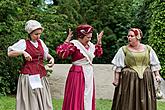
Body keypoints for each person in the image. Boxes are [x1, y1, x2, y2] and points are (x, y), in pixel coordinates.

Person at [7, 20, 54, 110]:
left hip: (40, 75)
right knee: (32, 97)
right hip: (29, 75)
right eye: (36, 34)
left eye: (39, 34)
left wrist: (51, 58)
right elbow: (10, 53)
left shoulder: (41, 43)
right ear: (30, 33)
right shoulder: (24, 43)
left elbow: (45, 55)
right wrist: (23, 52)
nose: (38, 36)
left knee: (42, 96)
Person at [111, 28, 162, 110]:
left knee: (145, 98)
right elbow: (118, 66)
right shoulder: (123, 50)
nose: (129, 38)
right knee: (128, 98)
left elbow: (154, 63)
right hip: (129, 80)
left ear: (138, 37)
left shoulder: (148, 49)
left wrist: (157, 75)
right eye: (128, 36)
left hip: (146, 79)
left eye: (131, 36)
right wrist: (116, 79)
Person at [56, 24, 104, 110]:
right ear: (81, 36)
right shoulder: (74, 44)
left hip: (89, 73)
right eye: (87, 37)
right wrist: (67, 41)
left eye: (90, 37)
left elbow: (98, 54)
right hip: (77, 74)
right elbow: (61, 54)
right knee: (77, 95)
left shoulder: (91, 46)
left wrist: (99, 43)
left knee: (88, 96)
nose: (89, 39)